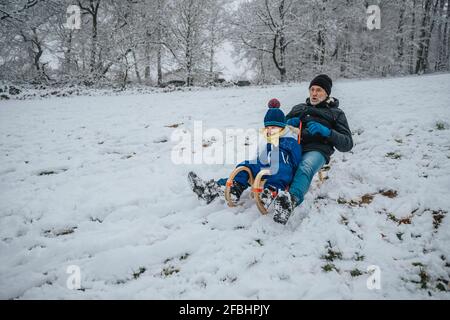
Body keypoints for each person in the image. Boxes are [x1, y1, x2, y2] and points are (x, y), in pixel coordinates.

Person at [188, 99, 302, 223]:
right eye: (267, 128)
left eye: (273, 127)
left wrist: (293, 170)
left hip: (282, 165)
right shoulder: (269, 140)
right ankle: (231, 188)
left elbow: (296, 158)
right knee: (245, 165)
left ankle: (271, 192)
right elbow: (261, 155)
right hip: (265, 164)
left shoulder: (290, 140)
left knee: (280, 170)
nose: (270, 130)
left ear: (281, 128)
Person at [271, 74, 353, 224]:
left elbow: (347, 143)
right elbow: (277, 126)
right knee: (272, 161)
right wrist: (287, 122)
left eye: (319, 90)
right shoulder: (299, 108)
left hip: (317, 149)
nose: (314, 93)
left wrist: (327, 132)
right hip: (293, 146)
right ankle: (252, 187)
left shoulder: (336, 113)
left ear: (327, 93)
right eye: (312, 89)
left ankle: (290, 201)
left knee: (305, 166)